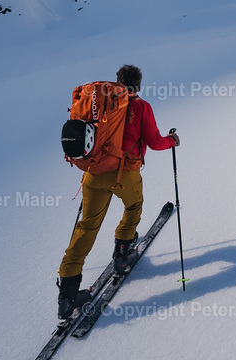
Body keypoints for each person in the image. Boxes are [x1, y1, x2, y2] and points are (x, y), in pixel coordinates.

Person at [56, 64, 179, 325]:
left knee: (87, 227)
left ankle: (66, 297)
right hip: (124, 174)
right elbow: (156, 142)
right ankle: (122, 254)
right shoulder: (140, 107)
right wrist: (173, 140)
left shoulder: (100, 106)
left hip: (93, 173)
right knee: (134, 207)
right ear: (139, 85)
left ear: (117, 82)